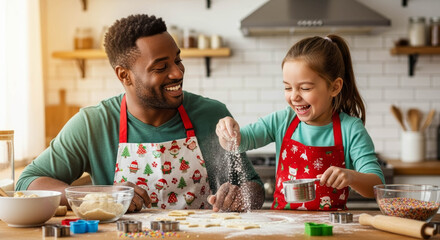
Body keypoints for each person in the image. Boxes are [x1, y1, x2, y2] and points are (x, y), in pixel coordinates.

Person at [16, 14, 264, 212]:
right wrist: (98, 195)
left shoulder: (213, 115)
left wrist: (241, 195)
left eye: (177, 60)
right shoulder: (93, 124)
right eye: (161, 67)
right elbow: (28, 183)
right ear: (124, 75)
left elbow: (253, 185)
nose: (177, 73)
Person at [216, 35, 384, 211]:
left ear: (334, 87)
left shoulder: (350, 129)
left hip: (330, 231)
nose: (294, 96)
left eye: (305, 88)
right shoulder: (282, 121)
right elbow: (238, 143)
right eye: (288, 87)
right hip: (283, 228)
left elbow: (377, 185)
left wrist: (351, 177)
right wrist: (227, 131)